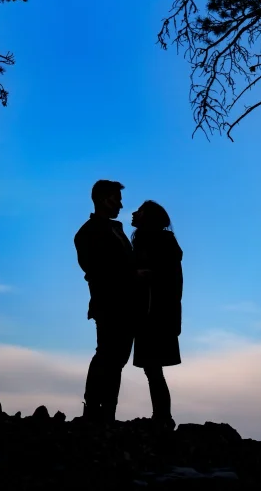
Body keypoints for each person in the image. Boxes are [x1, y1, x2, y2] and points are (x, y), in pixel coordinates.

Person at [74, 179, 138, 423]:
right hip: (108, 303)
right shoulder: (88, 232)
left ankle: (107, 412)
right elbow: (96, 268)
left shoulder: (116, 230)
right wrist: (132, 275)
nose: (121, 205)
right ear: (104, 199)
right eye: (116, 199)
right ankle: (94, 410)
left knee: (117, 359)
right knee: (107, 355)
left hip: (126, 305)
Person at [130, 200, 183, 430]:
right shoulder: (149, 241)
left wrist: (142, 275)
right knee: (153, 370)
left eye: (139, 210)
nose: (134, 213)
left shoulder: (159, 242)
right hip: (151, 315)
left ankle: (162, 417)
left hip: (155, 316)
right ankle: (162, 416)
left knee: (153, 368)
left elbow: (170, 283)